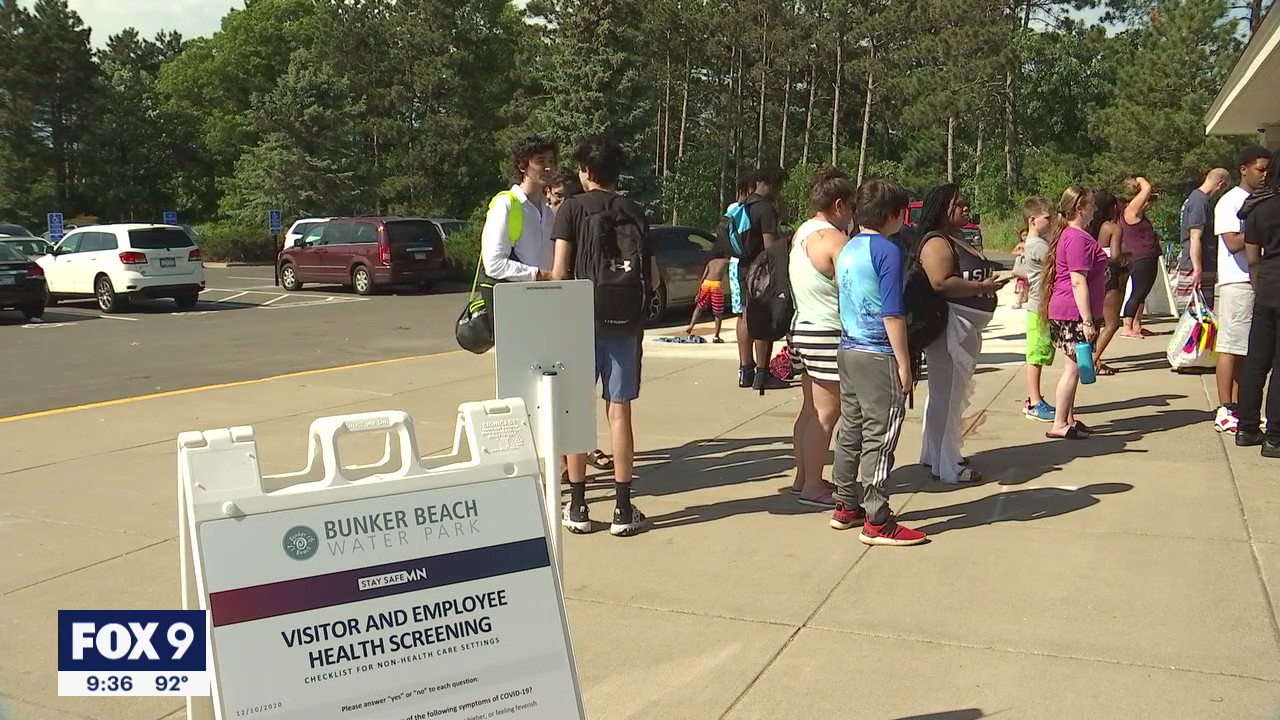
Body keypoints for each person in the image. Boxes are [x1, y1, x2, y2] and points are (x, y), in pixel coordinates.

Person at [552, 135, 660, 537]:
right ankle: (622, 507)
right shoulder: (635, 210)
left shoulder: (571, 209)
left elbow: (560, 271)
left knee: (578, 410)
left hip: (580, 318)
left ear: (585, 172)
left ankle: (578, 505)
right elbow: (652, 274)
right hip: (624, 322)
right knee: (620, 411)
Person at [828, 177, 926, 546]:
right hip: (877, 351)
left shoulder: (850, 246)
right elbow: (893, 312)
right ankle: (877, 517)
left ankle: (845, 503)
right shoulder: (888, 250)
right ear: (896, 215)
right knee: (881, 433)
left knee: (851, 426)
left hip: (848, 347)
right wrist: (904, 363)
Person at [916, 184, 1006, 484]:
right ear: (942, 208)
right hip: (950, 328)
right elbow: (940, 282)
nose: (966, 206)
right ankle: (947, 465)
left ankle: (936, 453)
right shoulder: (937, 243)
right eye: (958, 204)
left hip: (964, 327)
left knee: (946, 394)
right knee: (948, 395)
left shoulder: (954, 238)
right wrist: (982, 288)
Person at [787, 166, 856, 509]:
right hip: (827, 330)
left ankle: (803, 477)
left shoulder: (803, 232)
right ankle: (813, 484)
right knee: (826, 414)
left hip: (803, 328)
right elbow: (854, 287)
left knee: (810, 410)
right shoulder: (833, 239)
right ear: (840, 205)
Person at [547, 170, 615, 478]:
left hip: (580, 316)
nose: (552, 203)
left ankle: (580, 451)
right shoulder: (546, 224)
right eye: (549, 197)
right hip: (555, 316)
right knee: (564, 393)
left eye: (558, 197)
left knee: (578, 393)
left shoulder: (579, 223)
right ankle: (566, 458)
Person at [1213, 146, 1272, 434]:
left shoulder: (1261, 200)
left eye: (1268, 170)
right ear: (1244, 169)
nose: (1264, 175)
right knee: (1229, 347)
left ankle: (1241, 405)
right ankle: (1225, 407)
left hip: (1256, 283)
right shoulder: (1230, 202)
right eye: (1260, 169)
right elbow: (1233, 241)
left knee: (1247, 350)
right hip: (1236, 281)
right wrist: (1263, 228)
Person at [1042, 186, 1106, 440]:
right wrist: (1088, 320)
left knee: (1077, 366)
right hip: (1073, 312)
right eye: (1091, 205)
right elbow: (1078, 280)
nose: (1095, 209)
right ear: (1079, 208)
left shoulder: (1071, 235)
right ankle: (1059, 423)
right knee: (1072, 368)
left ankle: (1067, 417)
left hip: (1069, 310)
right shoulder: (1077, 238)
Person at [1237, 149, 1280, 457]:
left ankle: (1247, 428)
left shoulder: (1258, 209)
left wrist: (1260, 285)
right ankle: (1275, 437)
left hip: (1266, 289)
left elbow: (1252, 259)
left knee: (1256, 363)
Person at [732, 166, 790, 391]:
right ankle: (762, 374)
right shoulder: (765, 209)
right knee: (763, 318)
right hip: (762, 272)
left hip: (742, 267)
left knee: (745, 316)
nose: (778, 192)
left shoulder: (743, 206)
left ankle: (745, 370)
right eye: (778, 186)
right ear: (770, 183)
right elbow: (770, 247)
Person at [480, 135, 557, 289]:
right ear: (523, 166)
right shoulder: (505, 204)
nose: (548, 167)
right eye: (541, 161)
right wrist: (540, 275)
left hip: (548, 299)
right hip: (517, 302)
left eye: (551, 161)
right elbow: (493, 264)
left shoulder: (549, 212)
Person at [1175, 168, 1229, 315]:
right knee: (1197, 317)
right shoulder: (1200, 202)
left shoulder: (1193, 199)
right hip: (1197, 267)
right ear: (1221, 184)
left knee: (1200, 315)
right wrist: (1197, 269)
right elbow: (1195, 236)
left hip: (1196, 265)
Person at [1021, 196, 1056, 422]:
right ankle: (1034, 402)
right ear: (1033, 220)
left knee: (1040, 352)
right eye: (1047, 218)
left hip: (1039, 304)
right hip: (1038, 306)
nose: (1051, 222)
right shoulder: (1038, 246)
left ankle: (1034, 398)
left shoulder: (1033, 244)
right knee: (1036, 354)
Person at [1087, 191, 1128, 375]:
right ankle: (1092, 362)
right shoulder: (1113, 228)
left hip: (1092, 276)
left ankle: (1095, 359)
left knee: (1094, 322)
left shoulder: (1090, 228)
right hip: (1110, 276)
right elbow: (1116, 255)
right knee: (1112, 323)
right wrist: (1130, 258)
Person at [1119, 177, 1159, 339]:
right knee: (1137, 291)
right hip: (1140, 256)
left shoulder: (1137, 212)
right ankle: (1127, 326)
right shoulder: (1130, 211)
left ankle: (1136, 324)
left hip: (1148, 255)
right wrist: (1141, 180)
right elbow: (1146, 188)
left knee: (1143, 292)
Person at [686, 253, 730, 342]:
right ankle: (716, 336)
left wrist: (698, 292)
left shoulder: (711, 262)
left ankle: (691, 325)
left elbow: (703, 277)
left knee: (699, 306)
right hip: (716, 285)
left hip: (706, 284)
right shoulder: (726, 262)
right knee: (718, 312)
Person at [1012, 229, 1030, 310]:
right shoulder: (1020, 245)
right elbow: (1013, 252)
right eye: (1023, 235)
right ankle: (1018, 302)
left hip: (1029, 267)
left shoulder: (1032, 244)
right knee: (1021, 286)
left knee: (1028, 286)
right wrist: (1021, 253)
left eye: (1026, 235)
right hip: (1022, 267)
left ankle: (1025, 299)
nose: (1025, 237)